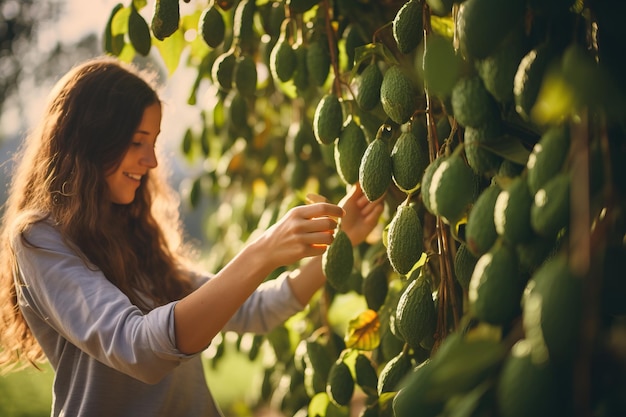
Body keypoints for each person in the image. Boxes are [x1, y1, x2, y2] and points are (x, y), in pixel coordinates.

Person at [0, 56, 384, 416]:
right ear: (89, 139)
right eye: (137, 142)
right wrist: (262, 251)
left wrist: (343, 239)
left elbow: (255, 309)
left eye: (153, 144)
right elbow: (138, 350)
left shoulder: (130, 232)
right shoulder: (39, 238)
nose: (150, 162)